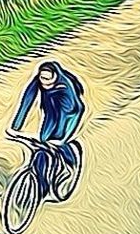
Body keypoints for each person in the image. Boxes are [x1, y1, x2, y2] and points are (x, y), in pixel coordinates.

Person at [9, 60, 86, 198]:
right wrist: (15, 127)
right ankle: (40, 184)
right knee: (42, 143)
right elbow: (26, 102)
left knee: (56, 140)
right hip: (50, 113)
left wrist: (63, 139)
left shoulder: (65, 88)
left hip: (67, 114)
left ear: (55, 77)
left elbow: (76, 111)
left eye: (48, 79)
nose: (44, 83)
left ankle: (69, 164)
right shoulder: (38, 81)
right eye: (42, 78)